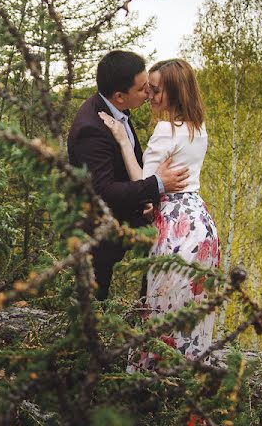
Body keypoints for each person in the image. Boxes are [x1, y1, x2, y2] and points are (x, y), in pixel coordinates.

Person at [98, 58, 220, 367]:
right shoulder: (198, 127)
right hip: (200, 221)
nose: (150, 96)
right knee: (191, 309)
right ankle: (188, 371)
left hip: (176, 225)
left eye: (155, 91)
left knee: (161, 306)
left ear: (176, 92)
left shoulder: (166, 129)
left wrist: (123, 140)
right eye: (148, 89)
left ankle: (153, 378)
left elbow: (144, 182)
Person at [67, 50, 189, 300]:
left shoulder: (116, 111)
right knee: (92, 302)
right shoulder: (91, 128)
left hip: (125, 220)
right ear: (120, 96)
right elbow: (105, 191)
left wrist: (146, 199)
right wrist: (156, 185)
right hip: (99, 233)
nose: (149, 94)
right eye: (143, 89)